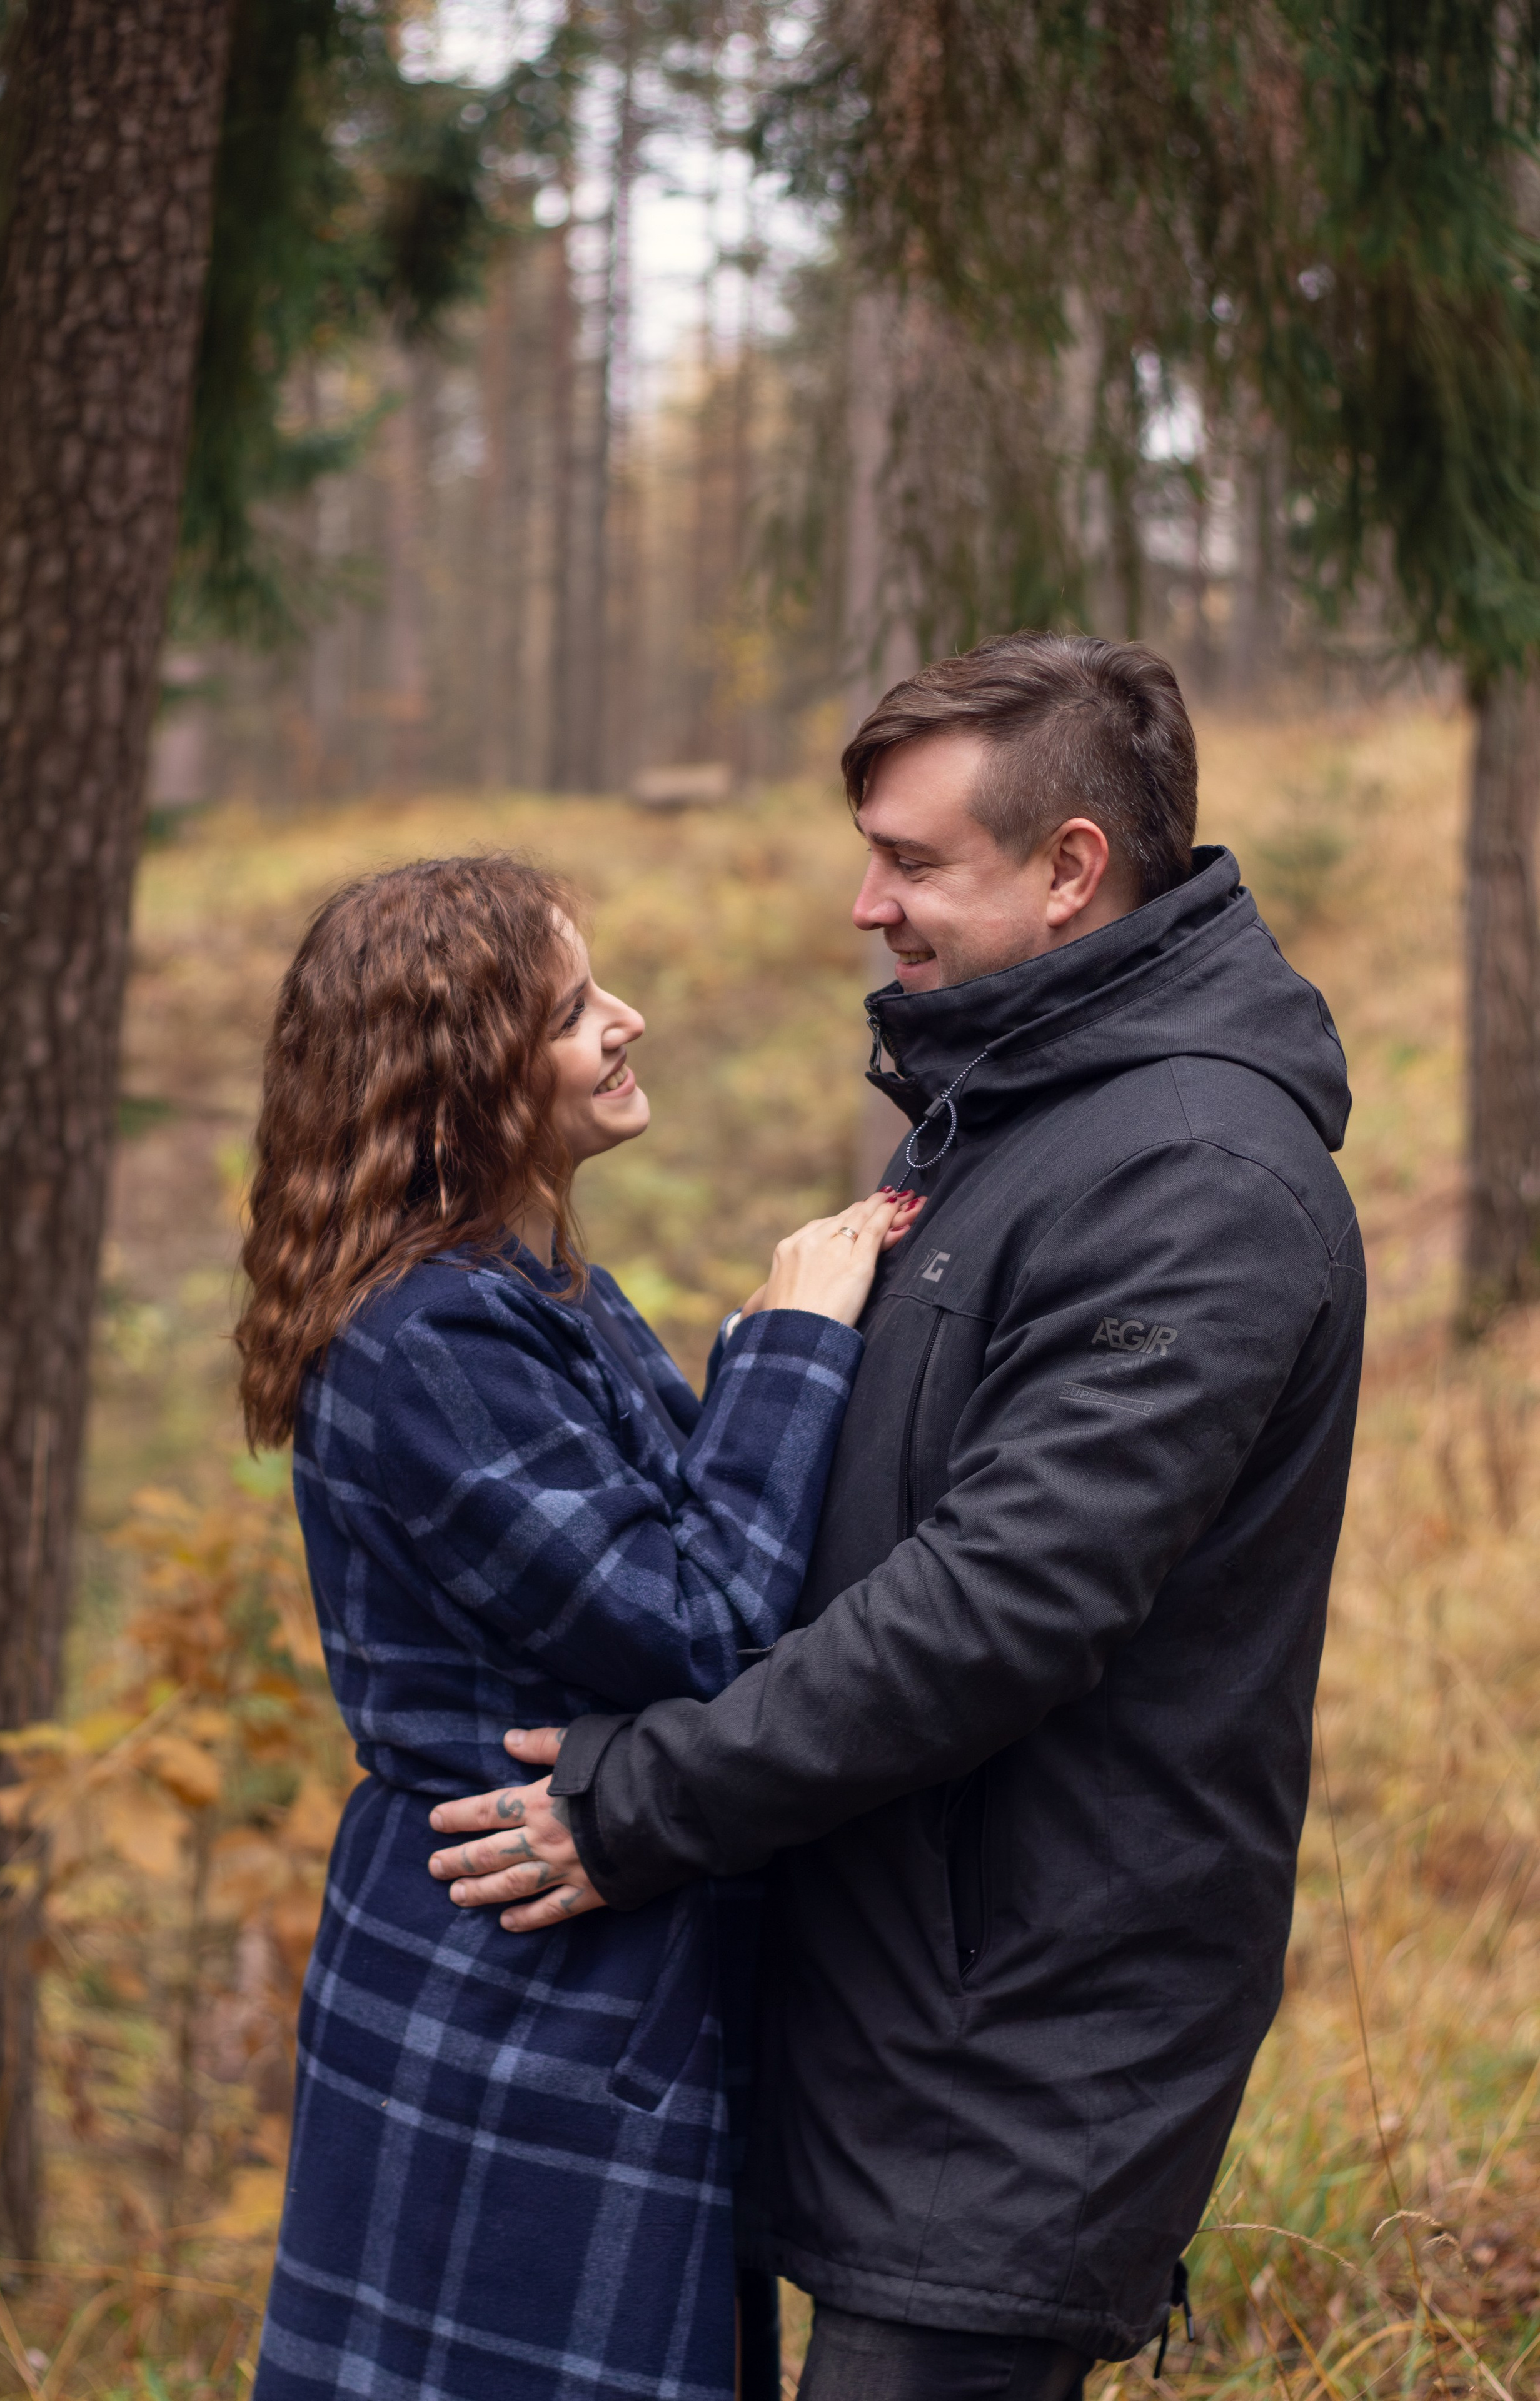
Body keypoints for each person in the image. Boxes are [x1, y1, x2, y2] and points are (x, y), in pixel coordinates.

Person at [430, 636, 1368, 2401]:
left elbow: (998, 1609)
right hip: (893, 2004)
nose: (867, 905)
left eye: (915, 862)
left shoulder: (1197, 1180)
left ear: (1073, 866)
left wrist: (633, 1804)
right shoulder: (1006, 1103)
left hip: (1023, 2054)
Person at [234, 852, 923, 2401]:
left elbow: (669, 1554)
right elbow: (693, 1622)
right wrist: (795, 1347)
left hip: (584, 1940)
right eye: (567, 1010)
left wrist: (765, 1356)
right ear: (457, 1079)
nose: (625, 1021)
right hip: (509, 1971)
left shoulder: (539, 1291)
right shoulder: (423, 1335)